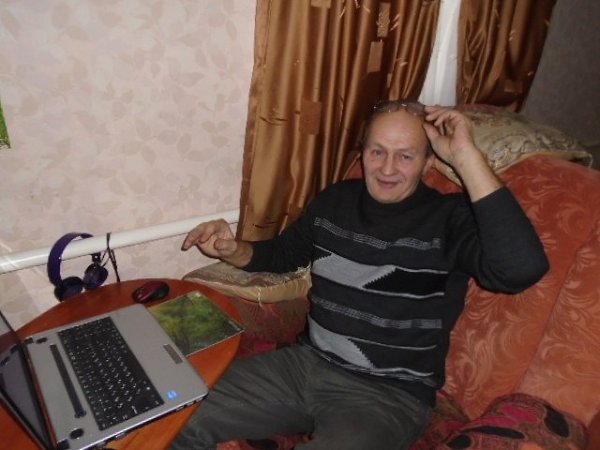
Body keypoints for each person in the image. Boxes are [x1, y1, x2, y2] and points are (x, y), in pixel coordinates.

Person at [171, 101, 549, 450]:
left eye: (405, 156)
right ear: (363, 152)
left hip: (387, 396)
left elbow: (519, 270)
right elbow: (284, 254)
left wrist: (466, 156)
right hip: (305, 365)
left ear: (428, 163)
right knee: (173, 415)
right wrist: (232, 249)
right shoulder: (335, 201)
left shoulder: (450, 219)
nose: (387, 168)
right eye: (377, 151)